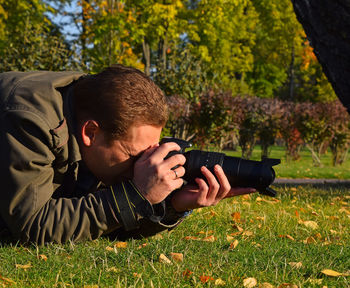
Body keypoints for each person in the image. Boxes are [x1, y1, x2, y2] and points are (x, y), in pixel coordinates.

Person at [0, 65, 255, 245]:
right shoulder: (30, 120)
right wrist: (136, 195)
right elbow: (33, 224)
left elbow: (102, 226)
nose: (143, 165)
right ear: (91, 132)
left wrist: (171, 205)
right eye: (135, 156)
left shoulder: (97, 119)